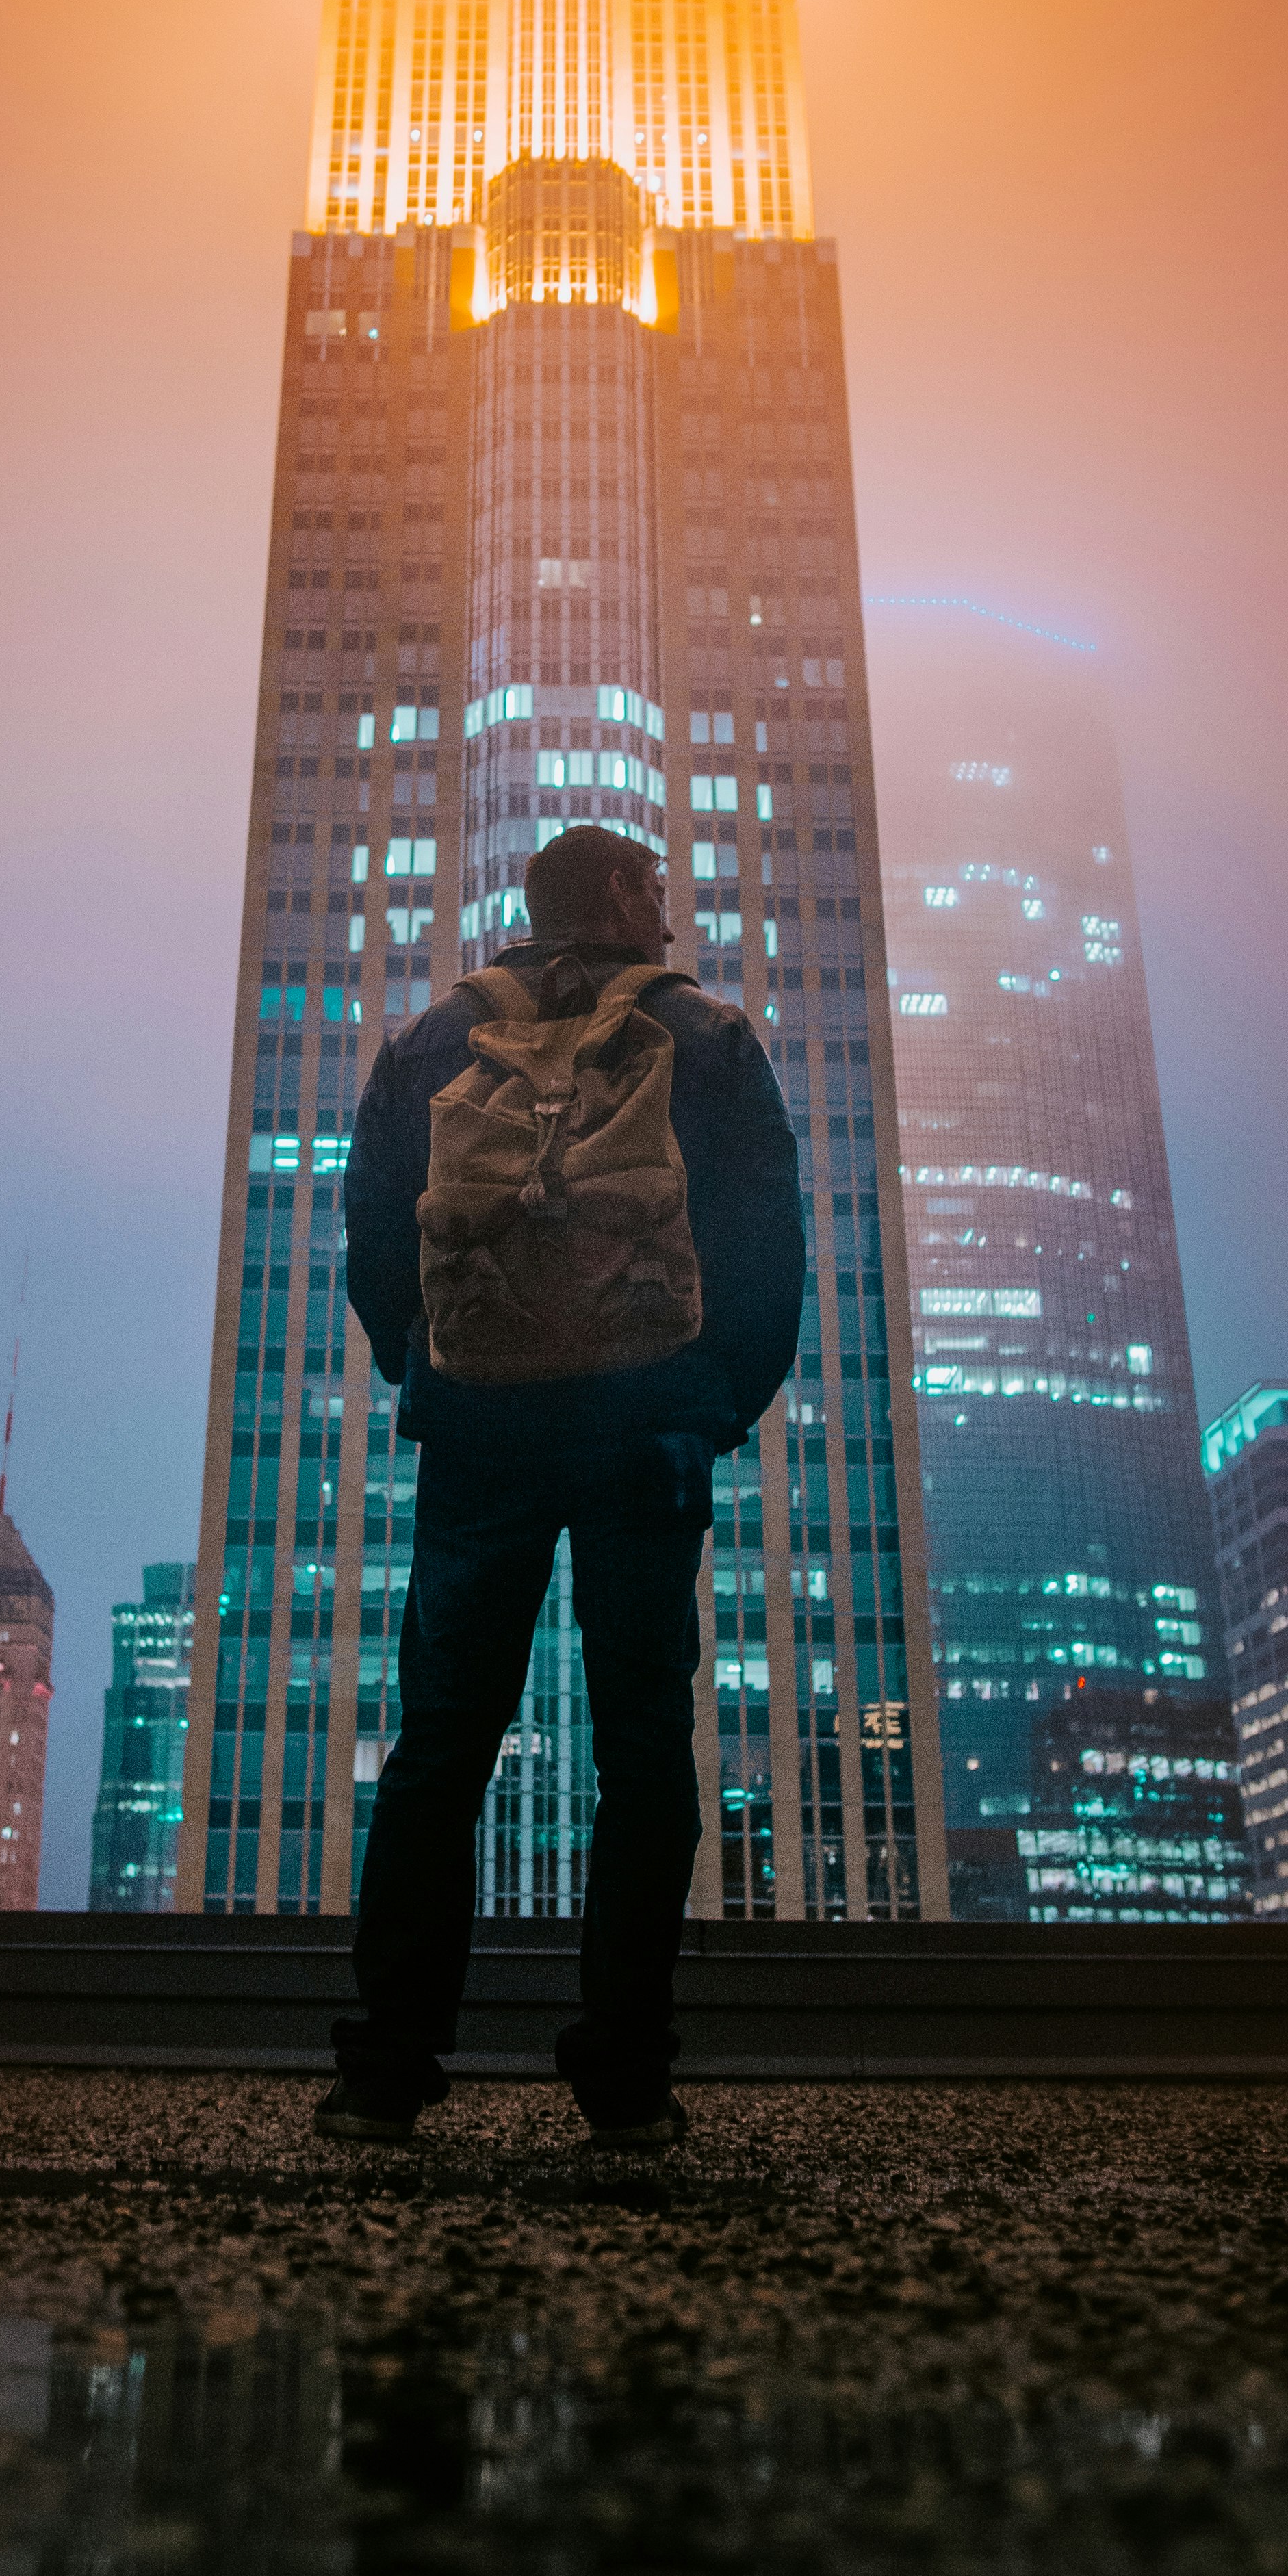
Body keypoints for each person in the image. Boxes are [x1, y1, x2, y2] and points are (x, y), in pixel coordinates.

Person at [320, 823, 803, 2148]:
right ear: (616, 897)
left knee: (441, 1747)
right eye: (655, 888)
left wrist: (438, 1372)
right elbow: (768, 1260)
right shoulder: (707, 1040)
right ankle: (627, 2078)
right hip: (646, 1430)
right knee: (645, 1752)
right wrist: (709, 1407)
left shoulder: (431, 1044)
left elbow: (373, 1242)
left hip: (483, 1433)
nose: (667, 913)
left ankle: (387, 2068)